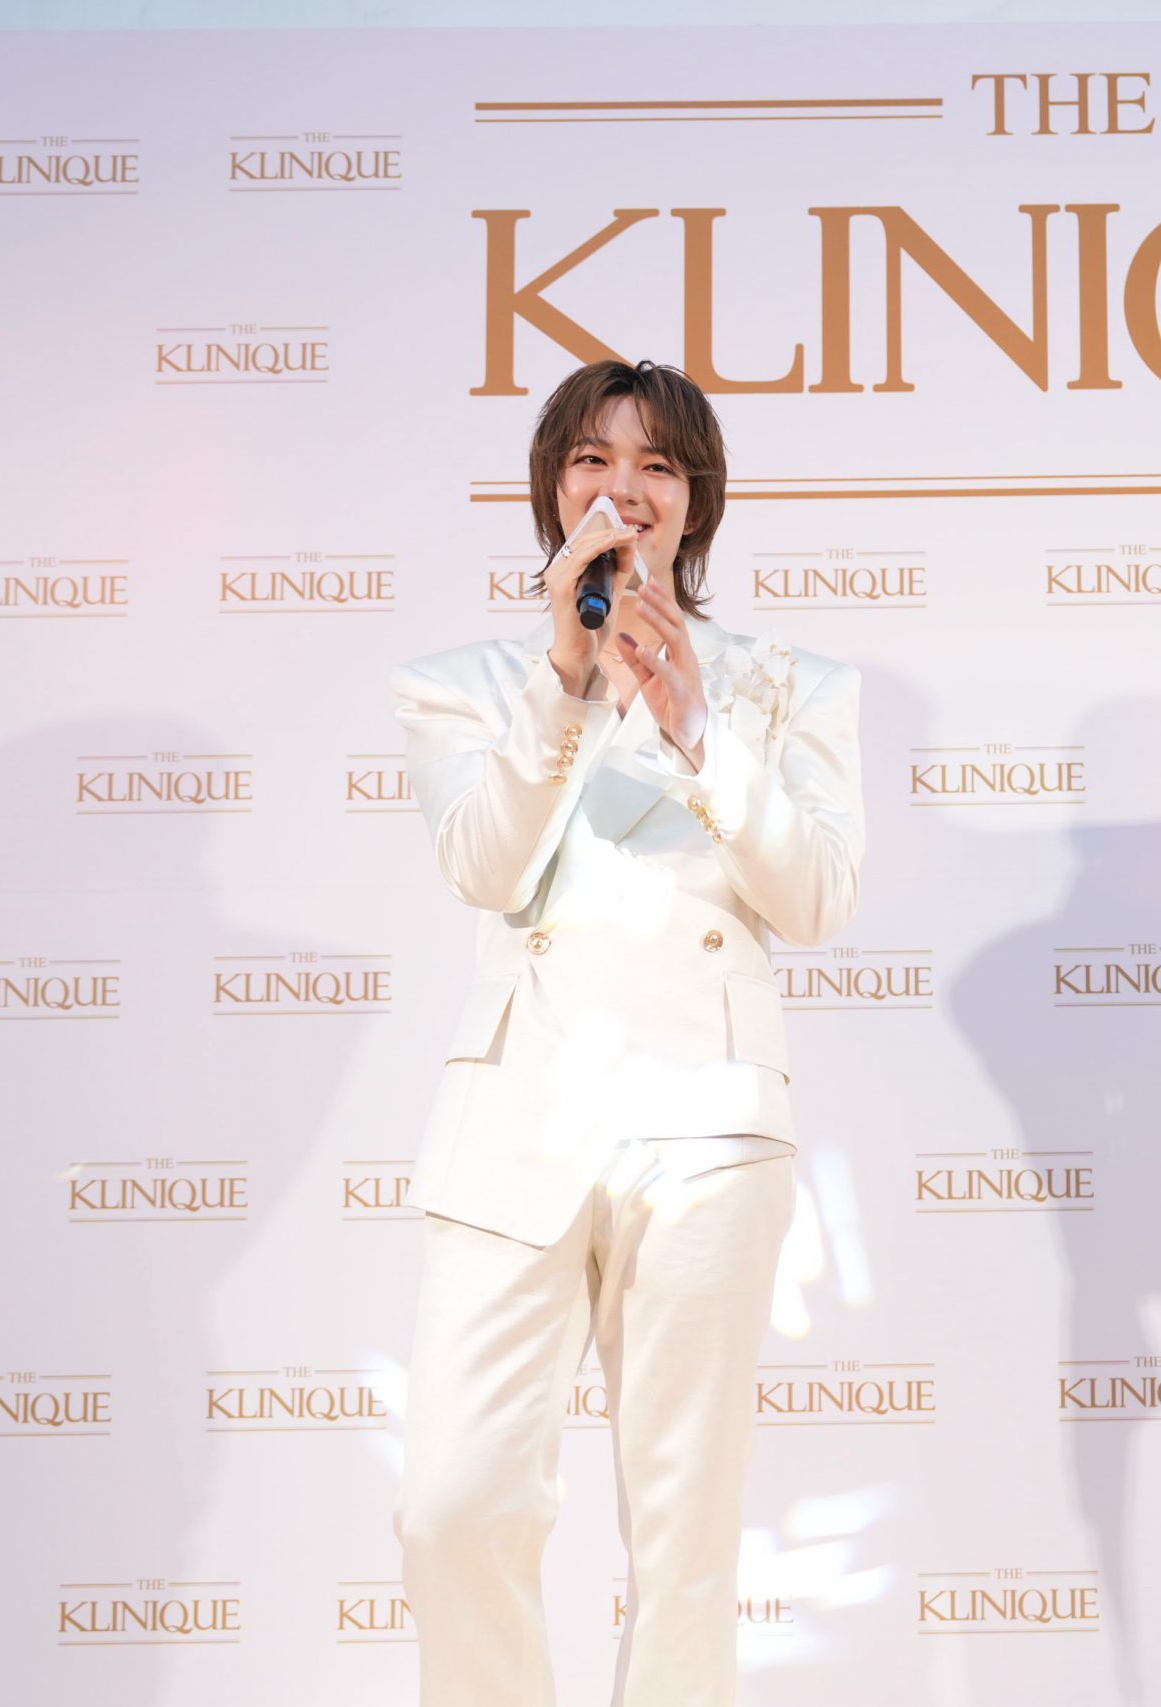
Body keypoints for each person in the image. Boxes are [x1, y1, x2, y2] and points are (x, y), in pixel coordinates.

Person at [389, 357, 865, 1707]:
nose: (626, 485)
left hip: (705, 1128)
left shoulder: (788, 685)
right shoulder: (464, 685)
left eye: (658, 462)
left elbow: (816, 899)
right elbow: (487, 868)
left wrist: (699, 724)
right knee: (452, 1504)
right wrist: (566, 679)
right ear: (555, 488)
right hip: (517, 1119)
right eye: (594, 457)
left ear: (695, 499)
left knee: (684, 1529)